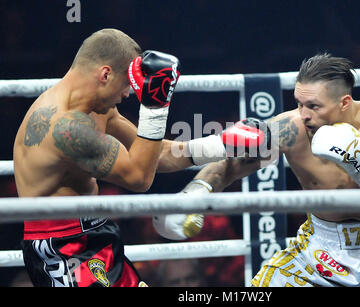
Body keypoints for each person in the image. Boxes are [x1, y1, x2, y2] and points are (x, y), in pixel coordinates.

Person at [13, 28, 255, 287]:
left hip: (96, 234)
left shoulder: (98, 110)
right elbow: (139, 177)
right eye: (127, 84)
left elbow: (155, 154)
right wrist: (155, 108)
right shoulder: (65, 127)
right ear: (105, 74)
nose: (129, 94)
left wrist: (222, 144)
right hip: (63, 247)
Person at [183, 53, 360, 287]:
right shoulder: (290, 129)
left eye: (313, 106)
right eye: (299, 103)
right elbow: (230, 165)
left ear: (344, 102)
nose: (304, 114)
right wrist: (198, 191)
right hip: (322, 249)